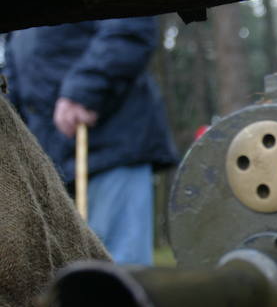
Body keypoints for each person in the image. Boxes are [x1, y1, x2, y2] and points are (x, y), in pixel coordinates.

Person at [4, 17, 179, 266]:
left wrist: (85, 89)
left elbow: (129, 23)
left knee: (119, 270)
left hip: (112, 143)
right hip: (51, 163)